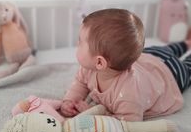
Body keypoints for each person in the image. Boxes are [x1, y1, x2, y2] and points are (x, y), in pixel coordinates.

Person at [60, 8, 190, 121]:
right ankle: (187, 43)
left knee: (187, 67)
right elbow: (80, 83)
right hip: (150, 56)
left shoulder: (129, 96)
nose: (77, 44)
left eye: (80, 42)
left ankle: (187, 46)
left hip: (172, 73)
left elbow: (125, 124)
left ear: (99, 62)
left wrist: (90, 114)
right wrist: (70, 100)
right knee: (167, 49)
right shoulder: (88, 69)